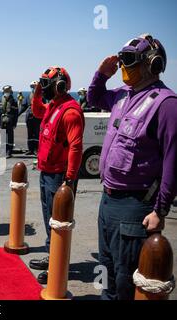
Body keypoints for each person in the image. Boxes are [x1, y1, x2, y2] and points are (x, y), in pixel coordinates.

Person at [87, 34, 177, 300]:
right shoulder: (122, 96)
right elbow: (94, 97)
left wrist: (160, 210)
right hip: (108, 201)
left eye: (128, 60)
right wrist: (101, 75)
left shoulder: (167, 105)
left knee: (126, 281)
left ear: (152, 63)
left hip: (135, 206)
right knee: (106, 272)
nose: (123, 67)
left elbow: (173, 162)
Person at [28, 66, 85, 285]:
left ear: (59, 87)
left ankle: (58, 266)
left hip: (60, 177)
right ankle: (53, 257)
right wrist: (37, 93)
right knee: (49, 220)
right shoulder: (54, 106)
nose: (43, 89)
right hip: (47, 173)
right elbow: (36, 111)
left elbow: (76, 148)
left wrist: (69, 181)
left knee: (59, 222)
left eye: (46, 85)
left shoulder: (70, 112)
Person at [19, 81, 41, 156]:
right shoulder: (28, 96)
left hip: (38, 118)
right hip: (29, 117)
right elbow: (23, 106)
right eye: (32, 87)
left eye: (35, 86)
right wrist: (18, 114)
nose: (33, 88)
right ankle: (30, 149)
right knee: (30, 134)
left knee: (37, 134)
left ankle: (36, 149)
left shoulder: (41, 96)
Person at [0, 85, 18, 158]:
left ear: (10, 92)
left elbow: (16, 113)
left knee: (10, 137)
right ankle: (2, 152)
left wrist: (15, 123)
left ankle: (9, 152)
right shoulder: (0, 101)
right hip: (2, 121)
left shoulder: (14, 101)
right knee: (2, 137)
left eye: (8, 91)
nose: (7, 92)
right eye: (6, 91)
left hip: (10, 121)